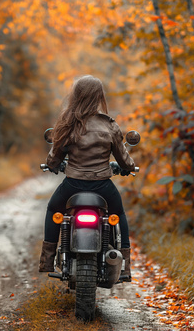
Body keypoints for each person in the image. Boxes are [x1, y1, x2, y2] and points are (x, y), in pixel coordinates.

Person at [38, 75, 136, 281]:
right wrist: (128, 167)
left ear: (76, 95)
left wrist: (52, 164)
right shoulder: (109, 125)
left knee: (53, 209)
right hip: (103, 186)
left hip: (72, 185)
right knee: (119, 214)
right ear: (99, 96)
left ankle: (47, 261)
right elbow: (124, 159)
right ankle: (125, 267)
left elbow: (54, 157)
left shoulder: (68, 123)